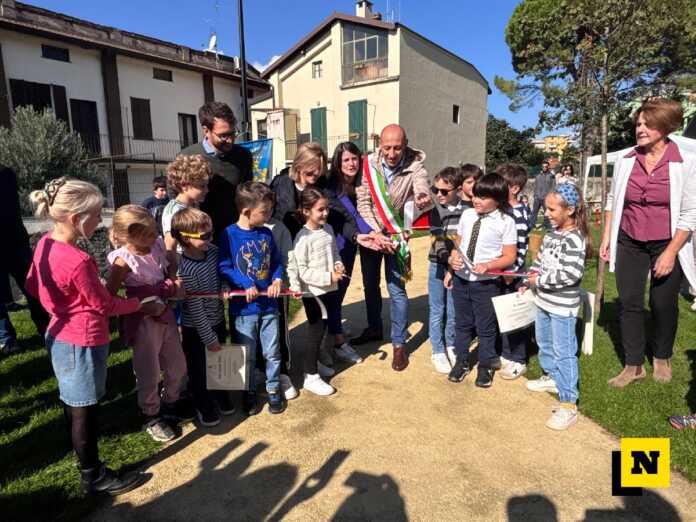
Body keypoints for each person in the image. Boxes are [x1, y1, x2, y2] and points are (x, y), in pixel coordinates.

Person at [25, 178, 155, 496]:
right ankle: (92, 475)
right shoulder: (78, 260)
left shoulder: (45, 243)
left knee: (73, 403)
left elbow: (31, 285)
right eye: (97, 215)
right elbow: (105, 304)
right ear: (76, 218)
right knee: (85, 407)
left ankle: (84, 460)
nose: (100, 222)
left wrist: (66, 301)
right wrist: (140, 303)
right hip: (82, 339)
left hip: (58, 334)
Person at [600, 98, 696, 387]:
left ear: (665, 126)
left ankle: (662, 356)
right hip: (629, 239)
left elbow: (691, 212)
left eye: (647, 124)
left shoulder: (685, 161)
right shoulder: (626, 159)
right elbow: (613, 199)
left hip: (667, 241)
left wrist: (670, 253)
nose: (639, 129)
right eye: (638, 123)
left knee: (662, 302)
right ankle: (633, 365)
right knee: (629, 302)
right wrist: (607, 236)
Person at [107, 205, 191, 442]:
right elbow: (109, 296)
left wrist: (173, 281)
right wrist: (140, 305)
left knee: (177, 364)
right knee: (149, 371)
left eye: (155, 231)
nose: (155, 237)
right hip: (143, 320)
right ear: (129, 236)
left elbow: (168, 265)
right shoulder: (122, 261)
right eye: (148, 234)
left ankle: (171, 402)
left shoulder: (156, 246)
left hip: (165, 312)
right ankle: (151, 413)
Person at [354, 124, 431, 372]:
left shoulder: (415, 165)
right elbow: (363, 201)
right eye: (387, 147)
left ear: (405, 144)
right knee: (369, 284)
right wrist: (375, 234)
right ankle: (374, 327)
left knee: (397, 290)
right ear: (380, 145)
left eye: (397, 147)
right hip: (372, 235)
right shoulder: (368, 165)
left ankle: (399, 344)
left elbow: (421, 184)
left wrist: (422, 196)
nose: (391, 153)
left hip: (397, 235)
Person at [523, 183, 589, 430]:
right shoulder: (551, 236)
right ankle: (551, 376)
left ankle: (569, 404)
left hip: (563, 308)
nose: (546, 213)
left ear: (570, 210)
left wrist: (538, 280)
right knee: (544, 343)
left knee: (565, 352)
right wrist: (529, 279)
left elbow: (571, 274)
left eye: (551, 209)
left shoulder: (575, 239)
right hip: (543, 302)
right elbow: (539, 261)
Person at [219, 181, 285, 415]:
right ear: (246, 211)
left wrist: (277, 279)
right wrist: (245, 283)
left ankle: (274, 389)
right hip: (243, 311)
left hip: (268, 306)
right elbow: (224, 266)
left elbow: (276, 262)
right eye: (264, 211)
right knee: (245, 355)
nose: (269, 215)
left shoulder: (266, 233)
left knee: (272, 351)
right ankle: (247, 392)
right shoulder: (228, 234)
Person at [445, 173, 517, 387]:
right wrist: (451, 263)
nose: (477, 200)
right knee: (462, 324)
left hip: (485, 283)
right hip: (461, 279)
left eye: (483, 197)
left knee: (485, 327)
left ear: (498, 199)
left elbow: (509, 256)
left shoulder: (506, 222)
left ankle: (485, 365)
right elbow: (458, 244)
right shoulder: (467, 215)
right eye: (476, 195)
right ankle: (462, 361)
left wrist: (489, 265)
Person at [172, 208, 235, 427]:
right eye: (204, 236)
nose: (210, 239)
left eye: (211, 233)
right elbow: (195, 307)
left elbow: (222, 275)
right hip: (196, 328)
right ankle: (203, 405)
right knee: (199, 370)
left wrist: (225, 285)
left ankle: (221, 396)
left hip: (218, 318)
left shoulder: (214, 252)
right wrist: (209, 337)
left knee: (219, 362)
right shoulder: (185, 268)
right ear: (185, 237)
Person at [288, 187, 346, 396]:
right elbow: (302, 271)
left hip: (330, 289)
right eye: (320, 210)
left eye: (327, 209)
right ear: (306, 211)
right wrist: (328, 277)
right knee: (314, 332)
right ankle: (310, 375)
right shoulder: (302, 239)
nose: (325, 213)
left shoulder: (328, 229)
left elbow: (335, 253)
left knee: (323, 329)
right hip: (313, 293)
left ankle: (316, 365)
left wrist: (338, 266)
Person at [325, 142, 373, 365]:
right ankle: (337, 342)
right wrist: (374, 234)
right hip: (338, 245)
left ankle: (334, 329)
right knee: (335, 292)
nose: (351, 163)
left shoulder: (360, 183)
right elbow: (352, 218)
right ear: (337, 162)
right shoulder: (333, 185)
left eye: (354, 158)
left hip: (351, 244)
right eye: (346, 159)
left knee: (340, 291)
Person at [180, 101, 253, 244]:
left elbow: (247, 194)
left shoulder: (243, 156)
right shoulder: (187, 157)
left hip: (236, 237)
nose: (230, 140)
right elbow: (176, 199)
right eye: (224, 135)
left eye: (233, 133)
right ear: (206, 130)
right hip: (200, 241)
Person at [0, 164, 48, 354]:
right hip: (15, 241)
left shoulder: (7, 174)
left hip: (15, 241)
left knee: (33, 288)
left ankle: (46, 329)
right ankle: (6, 339)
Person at [427, 166, 467, 373]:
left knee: (453, 308)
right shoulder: (435, 211)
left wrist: (455, 263)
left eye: (444, 191)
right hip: (438, 263)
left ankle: (451, 344)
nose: (439, 195)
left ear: (458, 189)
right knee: (437, 308)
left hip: (458, 266)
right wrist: (448, 261)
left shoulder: (469, 210)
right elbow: (438, 240)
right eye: (436, 190)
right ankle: (437, 349)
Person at [497, 164, 531, 380]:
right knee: (502, 313)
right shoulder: (503, 210)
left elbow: (520, 245)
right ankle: (505, 352)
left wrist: (512, 270)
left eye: (503, 186)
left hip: (512, 273)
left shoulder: (518, 213)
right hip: (500, 270)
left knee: (515, 317)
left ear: (515, 188)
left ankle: (518, 358)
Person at [271, 142, 328, 240]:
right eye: (312, 167)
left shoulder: (324, 186)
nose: (317, 172)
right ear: (299, 165)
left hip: (313, 242)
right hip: (285, 242)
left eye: (319, 167)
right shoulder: (280, 183)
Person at [161, 155, 210, 258]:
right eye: (202, 186)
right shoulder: (174, 211)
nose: (207, 190)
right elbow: (170, 246)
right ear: (184, 185)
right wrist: (173, 272)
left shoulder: (194, 203)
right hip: (183, 266)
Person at [528, 160, 555, 230]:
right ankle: (532, 225)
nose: (544, 168)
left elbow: (553, 187)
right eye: (543, 166)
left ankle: (547, 226)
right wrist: (535, 195)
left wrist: (549, 196)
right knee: (534, 212)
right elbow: (535, 186)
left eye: (546, 166)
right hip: (537, 197)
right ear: (541, 167)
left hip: (546, 198)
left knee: (547, 212)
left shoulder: (551, 176)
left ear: (548, 167)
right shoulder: (538, 176)